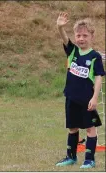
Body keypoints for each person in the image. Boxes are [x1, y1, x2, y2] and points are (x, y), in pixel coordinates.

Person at [55, 12, 105, 169]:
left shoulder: (95, 56)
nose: (81, 38)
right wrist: (60, 27)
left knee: (90, 128)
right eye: (78, 35)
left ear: (92, 36)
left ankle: (89, 159)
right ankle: (71, 157)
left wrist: (95, 97)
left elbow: (98, 78)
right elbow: (65, 38)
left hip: (87, 99)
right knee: (72, 128)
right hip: (71, 97)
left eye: (85, 35)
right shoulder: (73, 52)